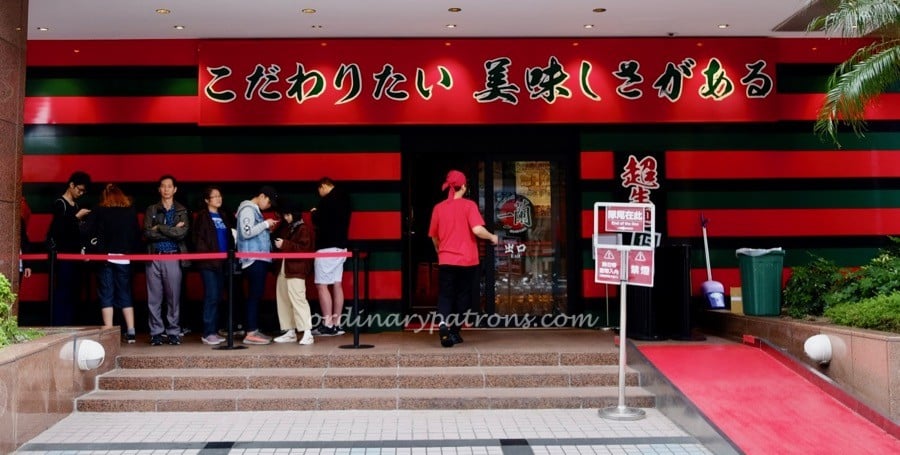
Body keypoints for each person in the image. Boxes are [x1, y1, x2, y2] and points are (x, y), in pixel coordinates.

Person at [428, 170, 499, 347]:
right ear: (464, 186)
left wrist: (440, 251)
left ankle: (443, 323)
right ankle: (454, 331)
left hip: (446, 259)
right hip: (467, 261)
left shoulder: (439, 208)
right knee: (463, 296)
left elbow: (434, 236)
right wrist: (492, 237)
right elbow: (477, 230)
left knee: (445, 294)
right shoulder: (469, 205)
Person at [82, 184, 141, 343]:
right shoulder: (130, 212)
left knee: (106, 292)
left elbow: (87, 230)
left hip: (105, 257)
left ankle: (108, 329)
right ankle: (131, 330)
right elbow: (136, 234)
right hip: (125, 257)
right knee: (125, 292)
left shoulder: (99, 210)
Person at [143, 175, 190, 346]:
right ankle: (156, 332)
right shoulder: (152, 209)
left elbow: (182, 233)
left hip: (173, 255)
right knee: (154, 298)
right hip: (154, 255)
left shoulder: (181, 210)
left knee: (173, 297)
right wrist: (171, 230)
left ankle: (173, 332)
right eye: (163, 186)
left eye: (169, 186)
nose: (166, 189)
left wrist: (160, 228)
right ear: (159, 189)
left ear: (175, 189)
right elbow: (148, 233)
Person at [45, 171, 92, 326]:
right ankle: (59, 324)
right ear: (71, 185)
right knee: (63, 290)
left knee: (74, 291)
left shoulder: (76, 205)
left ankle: (70, 323)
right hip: (63, 254)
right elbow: (59, 228)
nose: (81, 193)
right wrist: (77, 217)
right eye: (79, 189)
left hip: (75, 254)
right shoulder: (60, 203)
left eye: (84, 191)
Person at [236, 185, 280, 345]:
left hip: (257, 259)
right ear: (262, 196)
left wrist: (266, 228)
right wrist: (266, 224)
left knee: (256, 295)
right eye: (269, 202)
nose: (268, 206)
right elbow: (247, 232)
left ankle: (253, 330)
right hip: (253, 259)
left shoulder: (253, 209)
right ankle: (250, 332)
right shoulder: (248, 209)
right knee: (254, 296)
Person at [192, 186, 235, 346]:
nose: (218, 198)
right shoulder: (202, 217)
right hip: (209, 263)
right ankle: (207, 332)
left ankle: (214, 330)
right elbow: (199, 240)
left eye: (219, 195)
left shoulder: (223, 215)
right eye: (214, 196)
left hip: (223, 263)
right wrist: (210, 257)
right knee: (211, 296)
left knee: (217, 297)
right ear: (206, 200)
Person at [310, 177, 351, 336]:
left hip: (326, 248)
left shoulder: (326, 201)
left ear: (323, 186)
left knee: (321, 285)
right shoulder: (345, 199)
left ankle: (327, 324)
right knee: (336, 284)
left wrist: (314, 213)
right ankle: (337, 323)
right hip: (341, 247)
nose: (319, 194)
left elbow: (320, 221)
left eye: (319, 191)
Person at [272, 200, 316, 345]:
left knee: (298, 300)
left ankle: (307, 332)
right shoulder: (292, 227)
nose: (287, 217)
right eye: (285, 214)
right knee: (284, 300)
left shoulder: (303, 229)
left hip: (295, 269)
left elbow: (304, 249)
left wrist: (284, 244)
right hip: (285, 269)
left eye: (289, 214)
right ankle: (290, 331)